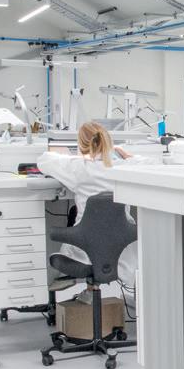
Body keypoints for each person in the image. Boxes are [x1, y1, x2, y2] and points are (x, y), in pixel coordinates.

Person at [36, 121, 151, 287]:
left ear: (81, 145)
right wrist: (126, 155)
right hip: (121, 247)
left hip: (84, 250)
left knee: (75, 215)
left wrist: (74, 157)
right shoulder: (123, 168)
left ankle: (87, 291)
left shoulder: (77, 168)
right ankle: (94, 293)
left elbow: (43, 160)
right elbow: (152, 163)